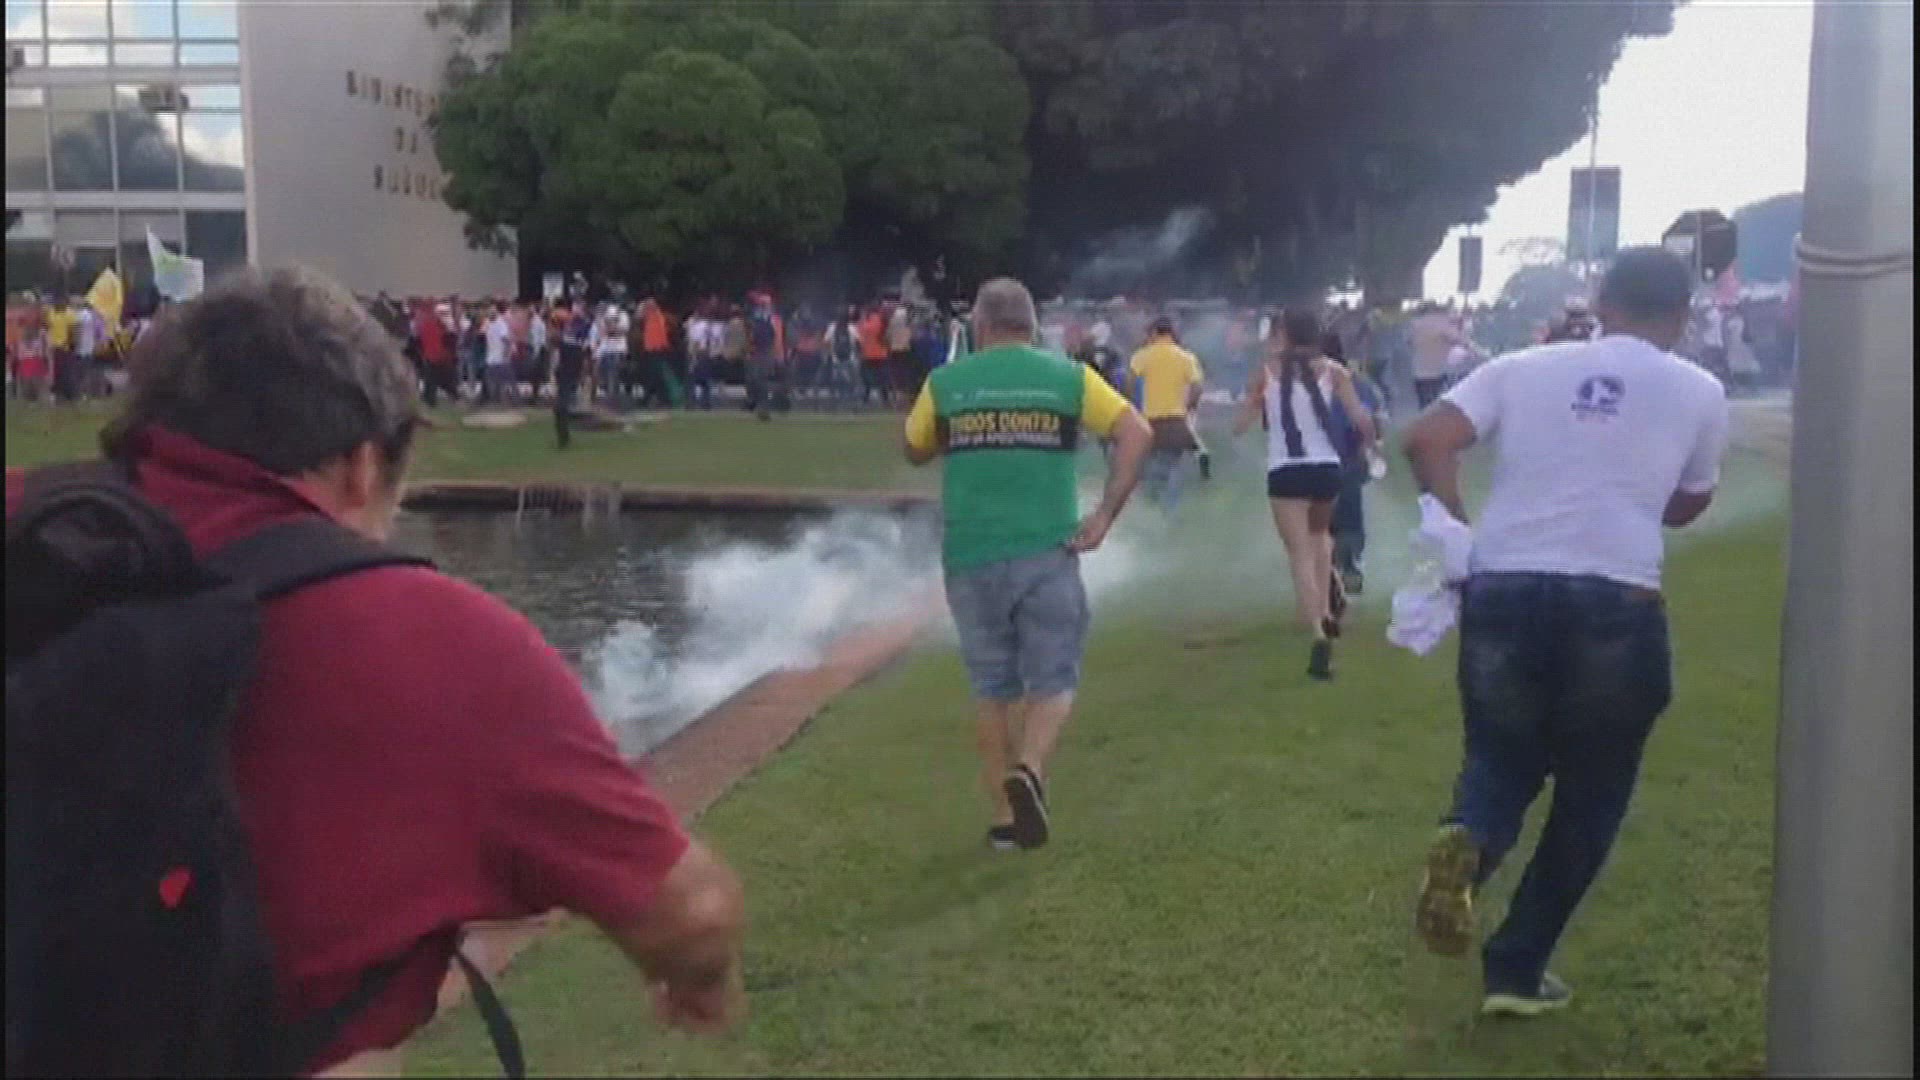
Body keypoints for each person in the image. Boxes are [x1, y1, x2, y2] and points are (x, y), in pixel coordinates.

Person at [4, 267, 746, 1075]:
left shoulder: (31, 536)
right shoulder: (441, 644)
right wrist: (700, 981)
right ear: (362, 466)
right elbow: (692, 916)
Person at [1401, 247, 1730, 1020]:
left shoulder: (1520, 367)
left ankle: (1469, 841)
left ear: (1602, 305)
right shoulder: (1700, 389)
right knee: (1593, 791)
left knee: (1499, 755)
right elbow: (1689, 502)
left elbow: (1427, 439)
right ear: (1681, 317)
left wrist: (1454, 524)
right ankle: (1516, 969)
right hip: (1616, 595)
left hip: (1506, 584)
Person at [903, 277, 1153, 852]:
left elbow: (914, 447)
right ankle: (1031, 768)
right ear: (1033, 326)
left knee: (991, 686)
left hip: (969, 554)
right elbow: (1135, 433)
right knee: (1054, 676)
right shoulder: (1068, 377)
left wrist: (958, 430)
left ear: (979, 325)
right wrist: (1105, 514)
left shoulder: (946, 382)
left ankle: (1003, 820)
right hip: (1047, 549)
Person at [1232, 308, 1375, 681]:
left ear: (1286, 334)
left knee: (1299, 553)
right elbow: (1360, 418)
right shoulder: (1335, 371)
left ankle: (1317, 632)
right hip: (1325, 468)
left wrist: (1247, 410)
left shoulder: (1266, 371)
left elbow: (1240, 425)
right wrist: (1370, 446)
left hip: (1286, 469)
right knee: (1320, 539)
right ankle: (1326, 611)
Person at [1322, 333, 1388, 596]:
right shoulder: (1356, 382)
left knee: (1329, 516)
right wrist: (1372, 446)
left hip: (1332, 458)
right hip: (1347, 457)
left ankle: (1340, 565)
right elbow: (1374, 417)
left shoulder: (1310, 382)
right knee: (1347, 514)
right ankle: (1345, 564)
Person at [1128, 315, 1205, 513]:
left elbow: (1129, 383)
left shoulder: (1143, 355)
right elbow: (1197, 387)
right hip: (1176, 422)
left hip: (1150, 422)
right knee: (1173, 467)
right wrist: (1189, 408)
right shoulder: (1186, 357)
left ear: (1155, 333)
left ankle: (1151, 508)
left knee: (1148, 466)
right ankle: (1170, 511)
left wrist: (1132, 407)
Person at [1409, 303, 1466, 409]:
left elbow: (1409, 342)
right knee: (1436, 404)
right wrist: (1460, 326)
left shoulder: (1415, 323)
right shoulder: (1443, 323)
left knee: (1424, 404)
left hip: (1419, 371)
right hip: (1437, 371)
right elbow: (1460, 341)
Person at [482, 301, 513, 406]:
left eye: (492, 312)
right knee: (491, 379)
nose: (489, 314)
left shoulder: (501, 324)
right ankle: (494, 399)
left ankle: (503, 400)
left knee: (501, 380)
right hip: (491, 356)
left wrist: (506, 355)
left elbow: (506, 340)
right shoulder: (488, 323)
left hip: (500, 356)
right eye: (488, 312)